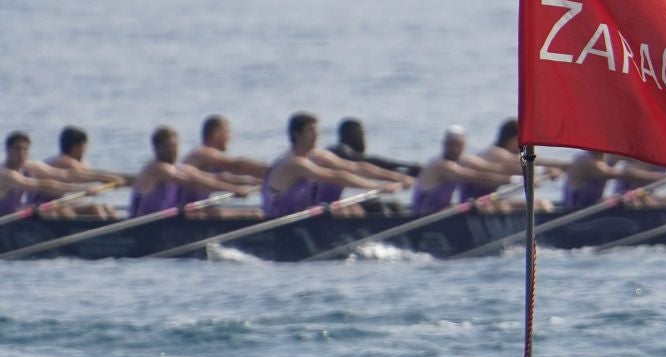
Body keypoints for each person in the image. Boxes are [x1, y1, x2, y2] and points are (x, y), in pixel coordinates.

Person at [263, 112, 401, 217]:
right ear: (296, 134)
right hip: (284, 220)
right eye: (310, 131)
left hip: (305, 215)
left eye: (316, 130)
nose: (316, 135)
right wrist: (380, 187)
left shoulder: (316, 155)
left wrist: (396, 177)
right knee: (359, 210)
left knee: (389, 207)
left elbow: (357, 167)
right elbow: (336, 177)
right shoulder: (294, 163)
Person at [128, 126, 255, 216]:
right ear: (156, 148)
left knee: (254, 213)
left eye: (175, 146)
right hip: (145, 228)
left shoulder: (177, 168)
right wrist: (233, 190)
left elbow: (214, 178)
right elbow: (193, 183)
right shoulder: (157, 168)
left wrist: (254, 182)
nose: (173, 151)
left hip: (168, 222)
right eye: (168, 147)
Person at [408, 126, 517, 215]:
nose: (454, 149)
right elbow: (474, 176)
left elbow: (492, 167)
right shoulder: (440, 165)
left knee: (497, 206)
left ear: (464, 145)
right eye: (450, 145)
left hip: (443, 211)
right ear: (443, 144)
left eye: (458, 145)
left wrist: (525, 174)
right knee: (476, 207)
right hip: (424, 214)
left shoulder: (463, 159)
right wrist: (513, 180)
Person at [467, 118, 564, 211]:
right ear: (511, 139)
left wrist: (557, 167)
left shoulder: (502, 153)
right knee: (504, 207)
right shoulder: (496, 153)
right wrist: (546, 170)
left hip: (490, 201)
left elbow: (532, 161)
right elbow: (521, 164)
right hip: (473, 204)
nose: (525, 144)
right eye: (522, 139)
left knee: (542, 204)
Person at [179, 116, 267, 217]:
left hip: (201, 209)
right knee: (256, 214)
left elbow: (223, 177)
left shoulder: (209, 158)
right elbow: (237, 165)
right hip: (188, 214)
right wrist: (270, 172)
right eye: (227, 132)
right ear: (216, 134)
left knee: (256, 212)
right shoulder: (202, 153)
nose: (230, 137)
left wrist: (255, 182)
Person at [38, 126, 130, 218]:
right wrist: (114, 179)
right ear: (77, 147)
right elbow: (90, 174)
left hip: (60, 204)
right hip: (45, 208)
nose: (86, 150)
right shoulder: (64, 161)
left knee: (107, 207)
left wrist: (112, 180)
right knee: (94, 208)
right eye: (85, 146)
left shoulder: (70, 161)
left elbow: (92, 175)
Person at [1, 131, 80, 214]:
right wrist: (82, 188)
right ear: (7, 150)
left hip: (14, 215)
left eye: (25, 149)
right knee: (53, 212)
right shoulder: (5, 173)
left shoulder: (27, 166)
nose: (21, 154)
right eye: (17, 149)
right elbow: (42, 185)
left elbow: (63, 174)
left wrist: (93, 180)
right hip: (4, 219)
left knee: (62, 210)